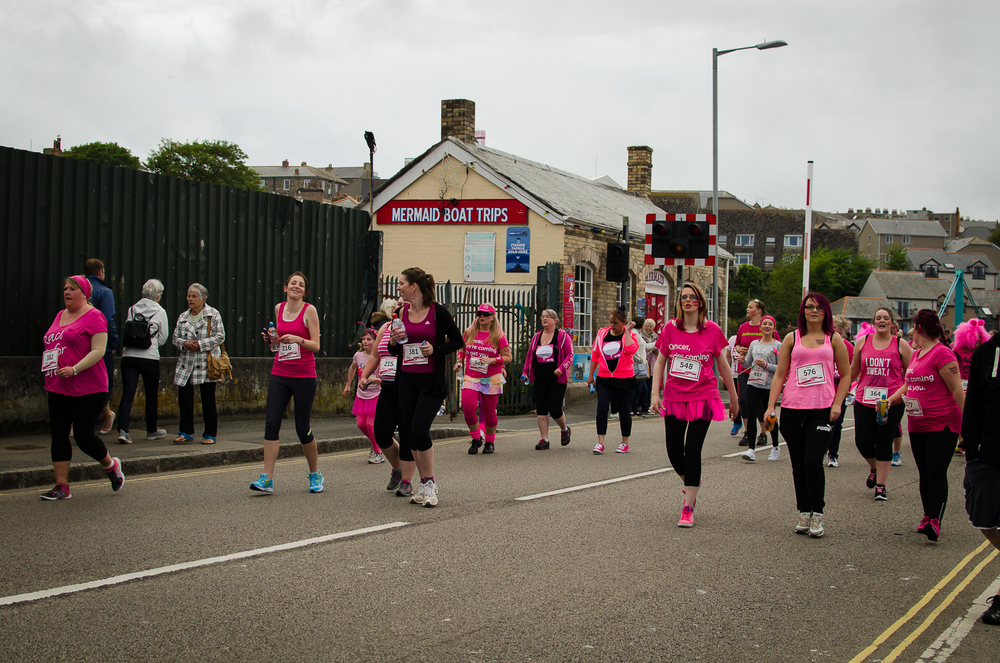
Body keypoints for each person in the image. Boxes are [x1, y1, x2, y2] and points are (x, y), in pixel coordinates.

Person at [650, 283, 738, 527]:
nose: (687, 300)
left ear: (700, 302)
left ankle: (688, 506)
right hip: (675, 397)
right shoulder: (670, 328)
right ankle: (692, 483)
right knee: (674, 451)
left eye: (692, 297)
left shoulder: (712, 330)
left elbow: (723, 366)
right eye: (683, 297)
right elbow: (660, 362)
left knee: (692, 450)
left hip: (704, 396)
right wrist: (654, 393)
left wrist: (734, 399)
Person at [765, 293, 851, 538]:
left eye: (818, 307)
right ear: (803, 311)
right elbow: (780, 374)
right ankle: (804, 511)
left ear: (826, 312)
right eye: (809, 307)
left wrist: (837, 403)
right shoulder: (792, 339)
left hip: (821, 408)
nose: (814, 310)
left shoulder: (834, 340)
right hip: (793, 408)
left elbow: (846, 375)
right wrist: (771, 406)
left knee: (813, 461)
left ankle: (818, 512)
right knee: (798, 465)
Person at [40, 275, 124, 500]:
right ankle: (62, 486)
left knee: (84, 437)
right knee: (58, 434)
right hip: (58, 384)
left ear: (85, 293)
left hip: (89, 386)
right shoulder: (61, 315)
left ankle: (111, 466)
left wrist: (74, 368)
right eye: (65, 288)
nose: (66, 292)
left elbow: (98, 350)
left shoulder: (95, 316)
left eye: (72, 289)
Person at [387, 268, 464, 507]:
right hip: (406, 381)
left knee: (420, 430)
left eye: (401, 283)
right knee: (409, 436)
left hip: (430, 382)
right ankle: (422, 485)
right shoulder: (400, 312)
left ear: (414, 287)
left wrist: (435, 349)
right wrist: (392, 342)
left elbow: (458, 341)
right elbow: (395, 350)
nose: (398, 288)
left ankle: (430, 484)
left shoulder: (438, 312)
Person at [887, 309, 964, 541]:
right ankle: (927, 514)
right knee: (924, 473)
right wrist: (890, 400)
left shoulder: (943, 354)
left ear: (918, 327)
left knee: (936, 472)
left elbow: (957, 389)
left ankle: (935, 520)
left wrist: (968, 426)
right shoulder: (918, 354)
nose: (911, 331)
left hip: (943, 424)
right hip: (917, 423)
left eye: (913, 326)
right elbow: (909, 385)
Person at [248, 273, 323, 493]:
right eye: (293, 283)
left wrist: (297, 339)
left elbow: (316, 345)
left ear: (305, 291)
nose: (296, 287)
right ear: (285, 288)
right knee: (271, 423)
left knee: (302, 429)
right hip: (280, 372)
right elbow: (278, 339)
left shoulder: (309, 310)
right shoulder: (278, 308)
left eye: (301, 285)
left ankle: (315, 474)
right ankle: (267, 478)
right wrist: (271, 339)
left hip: (304, 375)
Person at [960, 322, 1000, 624]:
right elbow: (973, 401)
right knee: (983, 520)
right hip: (987, 455)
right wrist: (971, 449)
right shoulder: (987, 352)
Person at [849, 307, 911, 501]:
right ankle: (874, 467)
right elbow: (853, 371)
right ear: (874, 322)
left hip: (891, 402)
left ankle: (881, 487)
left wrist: (900, 395)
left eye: (886, 318)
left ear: (892, 322)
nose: (882, 321)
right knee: (863, 441)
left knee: (884, 441)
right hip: (864, 400)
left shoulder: (901, 345)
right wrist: (839, 393)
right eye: (878, 318)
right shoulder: (863, 342)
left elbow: (911, 376)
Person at [359, 298, 410, 494]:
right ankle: (397, 469)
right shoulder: (387, 327)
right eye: (398, 302)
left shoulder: (415, 328)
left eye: (404, 301)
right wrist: (365, 375)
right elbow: (375, 356)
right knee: (381, 434)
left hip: (407, 387)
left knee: (407, 436)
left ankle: (407, 479)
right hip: (387, 387)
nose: (400, 304)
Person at [117, 279, 170, 444]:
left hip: (129, 356)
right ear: (158, 296)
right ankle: (152, 429)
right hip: (150, 357)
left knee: (128, 394)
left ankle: (123, 430)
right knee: (151, 394)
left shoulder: (132, 309)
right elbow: (163, 338)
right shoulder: (160, 312)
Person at [171, 283, 225, 445]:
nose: (190, 299)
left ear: (203, 298)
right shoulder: (183, 317)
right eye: (189, 296)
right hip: (187, 362)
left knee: (208, 399)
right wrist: (184, 344)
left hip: (205, 363)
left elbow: (220, 336)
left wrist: (200, 344)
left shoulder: (213, 314)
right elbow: (175, 338)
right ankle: (185, 431)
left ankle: (210, 433)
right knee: (184, 398)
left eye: (194, 296)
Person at [456, 303, 512, 455]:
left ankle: (489, 441)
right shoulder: (469, 332)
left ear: (493, 317)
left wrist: (493, 361)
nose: (482, 316)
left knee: (489, 412)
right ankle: (476, 438)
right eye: (479, 313)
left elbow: (508, 357)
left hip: (491, 377)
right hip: (471, 376)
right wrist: (459, 362)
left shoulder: (499, 336)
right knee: (468, 407)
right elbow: (462, 349)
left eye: (486, 314)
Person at [587, 306, 640, 455]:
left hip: (624, 378)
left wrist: (627, 332)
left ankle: (624, 442)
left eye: (615, 323)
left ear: (623, 322)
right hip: (604, 378)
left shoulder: (630, 335)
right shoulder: (602, 333)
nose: (612, 326)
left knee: (623, 411)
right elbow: (595, 354)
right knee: (602, 408)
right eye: (610, 322)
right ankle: (600, 442)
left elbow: (631, 350)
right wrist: (591, 375)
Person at [522, 308, 574, 451]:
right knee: (542, 409)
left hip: (557, 378)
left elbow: (570, 355)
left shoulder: (563, 336)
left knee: (555, 409)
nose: (544, 319)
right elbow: (529, 357)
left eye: (548, 317)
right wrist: (525, 373)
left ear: (555, 320)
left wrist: (561, 368)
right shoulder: (536, 337)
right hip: (540, 377)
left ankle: (564, 429)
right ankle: (544, 439)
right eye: (542, 317)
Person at [740, 315, 782, 462]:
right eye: (765, 323)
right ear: (760, 327)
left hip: (769, 385)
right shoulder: (753, 344)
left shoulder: (778, 345)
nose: (767, 326)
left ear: (773, 328)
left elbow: (782, 369)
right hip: (753, 382)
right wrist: (743, 361)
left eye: (770, 324)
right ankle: (751, 449)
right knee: (751, 415)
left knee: (769, 417)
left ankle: (775, 446)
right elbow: (748, 365)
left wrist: (766, 366)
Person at [85, 259, 119, 435]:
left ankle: (100, 417)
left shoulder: (76, 290)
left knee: (83, 381)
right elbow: (107, 320)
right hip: (101, 346)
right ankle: (94, 420)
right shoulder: (105, 292)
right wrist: (113, 343)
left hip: (81, 345)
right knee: (102, 382)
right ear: (101, 272)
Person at [344, 328, 385, 463]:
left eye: (369, 339)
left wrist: (377, 380)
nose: (365, 342)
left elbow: (384, 375)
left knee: (370, 424)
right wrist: (348, 385)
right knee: (361, 424)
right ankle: (377, 443)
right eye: (363, 339)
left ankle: (377, 449)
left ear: (375, 341)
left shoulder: (379, 357)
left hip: (375, 394)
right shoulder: (358, 355)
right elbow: (352, 367)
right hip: (361, 394)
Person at [952, 318, 989, 455]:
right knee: (959, 414)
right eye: (976, 337)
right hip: (959, 386)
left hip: (975, 387)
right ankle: (962, 442)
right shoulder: (956, 351)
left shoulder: (982, 352)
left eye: (980, 337)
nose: (978, 340)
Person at [732, 299, 767, 442]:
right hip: (744, 370)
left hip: (760, 372)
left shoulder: (766, 326)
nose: (747, 309)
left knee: (759, 403)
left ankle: (763, 432)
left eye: (750, 307)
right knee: (744, 401)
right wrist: (740, 348)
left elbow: (776, 346)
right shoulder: (743, 327)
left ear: (759, 310)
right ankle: (747, 431)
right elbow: (737, 344)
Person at [827, 315, 857, 467]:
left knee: (837, 423)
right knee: (822, 423)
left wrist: (849, 388)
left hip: (840, 390)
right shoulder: (823, 344)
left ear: (840, 329)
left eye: (834, 327)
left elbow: (852, 370)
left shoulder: (848, 347)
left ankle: (833, 454)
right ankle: (820, 452)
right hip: (824, 391)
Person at [629, 316, 649, 417]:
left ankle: (635, 407)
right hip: (637, 365)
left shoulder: (639, 334)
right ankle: (631, 408)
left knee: (641, 388)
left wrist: (659, 343)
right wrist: (638, 359)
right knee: (636, 388)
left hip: (641, 365)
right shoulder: (634, 333)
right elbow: (634, 348)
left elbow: (645, 346)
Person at [638, 318, 659, 416]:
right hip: (644, 363)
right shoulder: (640, 336)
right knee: (643, 386)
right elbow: (644, 347)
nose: (648, 328)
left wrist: (656, 349)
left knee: (650, 385)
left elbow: (659, 351)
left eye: (650, 326)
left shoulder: (656, 337)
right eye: (647, 326)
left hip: (652, 364)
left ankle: (649, 405)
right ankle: (643, 405)